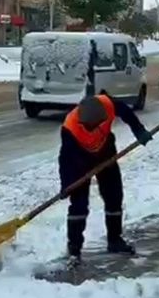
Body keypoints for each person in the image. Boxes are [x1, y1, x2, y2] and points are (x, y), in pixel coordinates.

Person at [60, 93, 153, 265]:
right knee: (79, 205)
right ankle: (74, 250)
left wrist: (138, 130)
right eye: (89, 126)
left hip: (105, 152)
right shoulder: (70, 127)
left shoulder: (107, 104)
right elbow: (65, 159)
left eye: (95, 125)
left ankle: (115, 240)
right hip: (79, 159)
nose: (92, 128)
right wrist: (66, 184)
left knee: (114, 196)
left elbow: (126, 112)